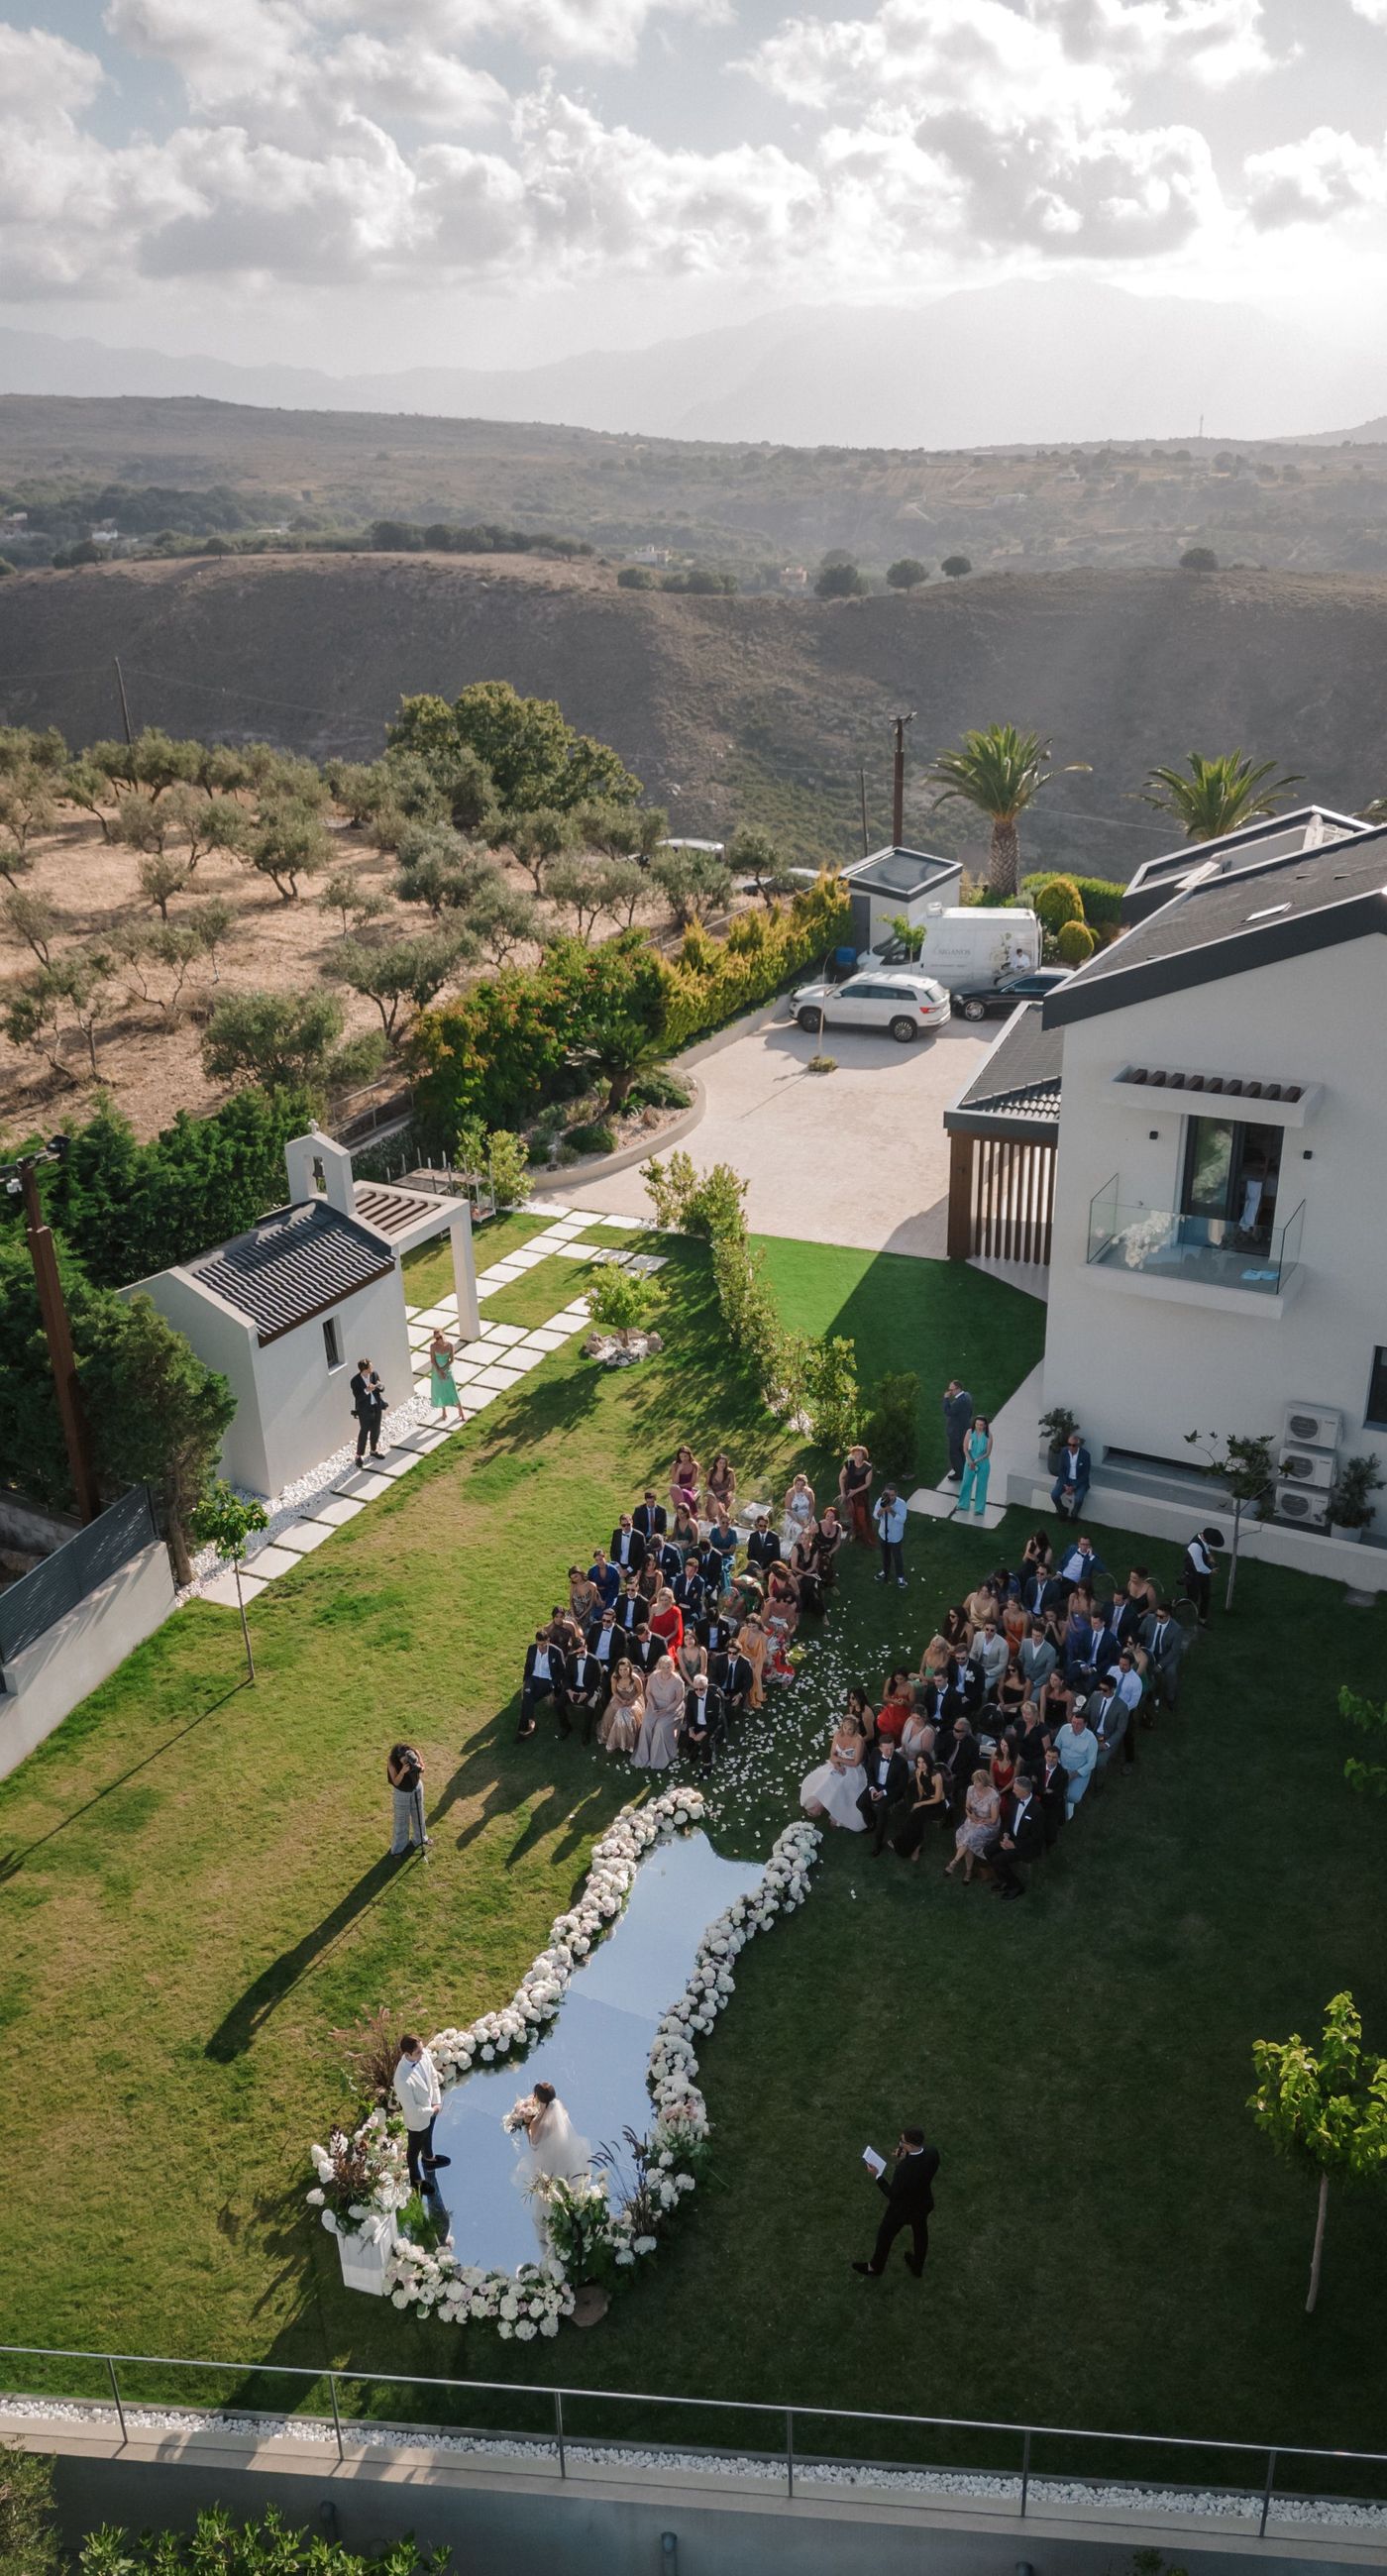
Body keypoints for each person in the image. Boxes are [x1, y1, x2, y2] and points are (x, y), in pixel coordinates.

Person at [854, 2127, 939, 2278]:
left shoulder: (904, 2170)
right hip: (923, 2204)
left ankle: (875, 2268)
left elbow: (893, 2194)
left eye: (902, 2142)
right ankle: (917, 2267)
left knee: (885, 2235)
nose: (899, 2143)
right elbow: (921, 2167)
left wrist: (877, 2175)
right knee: (921, 2233)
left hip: (902, 2210)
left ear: (910, 2146)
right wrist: (906, 2155)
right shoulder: (932, 2152)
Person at [393, 2034, 450, 2189]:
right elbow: (411, 2109)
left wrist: (436, 2101)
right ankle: (416, 2180)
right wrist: (432, 2110)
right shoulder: (401, 2078)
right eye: (418, 2052)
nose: (423, 2054)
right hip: (418, 2119)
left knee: (429, 2134)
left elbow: (432, 2076)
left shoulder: (422, 2057)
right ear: (407, 2054)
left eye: (422, 2049)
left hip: (431, 2107)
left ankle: (429, 2158)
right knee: (413, 2150)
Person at [800, 1713, 869, 1830]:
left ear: (855, 1728)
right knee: (825, 1781)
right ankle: (817, 1806)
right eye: (845, 1727)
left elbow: (856, 1762)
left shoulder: (858, 1740)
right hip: (836, 1765)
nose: (847, 1731)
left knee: (839, 1788)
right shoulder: (838, 1734)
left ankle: (836, 1817)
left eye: (850, 1729)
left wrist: (839, 1760)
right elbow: (832, 1754)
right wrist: (837, 1764)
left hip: (852, 1770)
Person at [990, 1775, 1043, 1899]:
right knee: (988, 1850)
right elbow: (1010, 1820)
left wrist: (1014, 1845)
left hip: (1027, 1846)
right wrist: (1006, 1834)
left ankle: (1016, 1886)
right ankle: (1004, 1880)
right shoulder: (1014, 1800)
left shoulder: (1037, 1810)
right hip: (1011, 1838)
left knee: (998, 1859)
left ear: (1025, 1792)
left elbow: (1037, 1837)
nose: (1013, 1791)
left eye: (1015, 1790)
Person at [946, 1768, 1001, 1882]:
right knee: (966, 1837)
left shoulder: (993, 1796)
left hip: (988, 1824)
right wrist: (970, 1816)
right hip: (973, 1819)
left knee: (970, 1837)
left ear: (984, 1782)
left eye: (978, 1781)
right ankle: (968, 1872)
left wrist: (980, 1821)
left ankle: (954, 1862)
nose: (974, 1784)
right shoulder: (971, 1789)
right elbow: (967, 1808)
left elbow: (994, 1818)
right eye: (974, 1781)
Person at [634, 1653, 685, 1770]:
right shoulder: (653, 1676)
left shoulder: (678, 1681)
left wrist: (666, 1710)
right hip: (654, 1706)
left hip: (672, 1708)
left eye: (668, 1667)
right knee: (646, 1725)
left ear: (672, 1666)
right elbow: (648, 1693)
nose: (666, 1669)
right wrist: (653, 1705)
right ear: (659, 1667)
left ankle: (658, 1758)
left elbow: (679, 1700)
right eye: (663, 1667)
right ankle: (644, 1756)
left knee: (660, 1727)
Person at [858, 1738, 908, 1854]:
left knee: (881, 1811)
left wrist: (884, 1793)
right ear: (880, 1748)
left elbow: (902, 1786)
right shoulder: (875, 1752)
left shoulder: (901, 1763)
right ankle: (872, 1823)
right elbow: (870, 1770)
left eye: (892, 1749)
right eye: (887, 1750)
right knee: (860, 1803)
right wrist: (872, 1788)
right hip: (875, 1786)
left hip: (892, 1790)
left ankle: (878, 1844)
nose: (890, 1752)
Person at [894, 1752, 947, 1858]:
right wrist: (919, 1801)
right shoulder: (918, 1771)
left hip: (938, 1804)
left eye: (924, 1762)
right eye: (918, 1762)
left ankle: (915, 1847)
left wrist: (919, 1804)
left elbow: (937, 1799)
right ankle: (908, 1845)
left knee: (915, 1819)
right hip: (926, 1799)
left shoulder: (937, 1776)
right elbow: (920, 1788)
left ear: (929, 1762)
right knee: (912, 1819)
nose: (921, 1765)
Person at [520, 1630, 570, 1741]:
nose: (541, 1647)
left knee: (528, 1700)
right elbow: (527, 1666)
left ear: (548, 1641)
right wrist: (525, 1681)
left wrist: (553, 1684)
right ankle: (531, 1723)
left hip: (547, 1680)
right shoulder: (532, 1649)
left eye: (543, 1644)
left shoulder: (556, 1652)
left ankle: (527, 1727)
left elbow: (562, 1671)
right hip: (532, 1678)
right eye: (538, 1644)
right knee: (527, 1694)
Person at [1140, 1601, 1186, 1711]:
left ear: (1168, 1616)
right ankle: (1147, 1691)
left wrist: (1161, 1665)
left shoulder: (1177, 1629)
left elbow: (1174, 1651)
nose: (1158, 1618)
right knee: (1141, 1668)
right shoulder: (1149, 1619)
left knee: (1170, 1672)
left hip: (1165, 1655)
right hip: (1148, 1651)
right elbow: (1140, 1635)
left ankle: (1170, 1697)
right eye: (1157, 1615)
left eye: (1161, 1617)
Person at [387, 1742, 429, 1857]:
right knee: (401, 1821)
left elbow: (423, 1768)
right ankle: (398, 1848)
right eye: (405, 1760)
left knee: (419, 1815)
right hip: (401, 1793)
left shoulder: (414, 1753)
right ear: (399, 1758)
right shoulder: (392, 1762)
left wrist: (419, 1767)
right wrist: (402, 1772)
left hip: (417, 1788)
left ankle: (420, 1839)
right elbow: (395, 1782)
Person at [1057, 1705, 1099, 1816]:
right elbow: (1056, 1747)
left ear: (1085, 1725)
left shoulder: (1091, 1739)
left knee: (1073, 1796)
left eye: (1078, 1724)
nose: (1074, 1726)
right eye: (1073, 1722)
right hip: (1060, 1766)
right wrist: (1058, 1766)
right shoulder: (1064, 1729)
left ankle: (1069, 1804)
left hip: (1078, 1772)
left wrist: (1074, 1774)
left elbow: (1091, 1763)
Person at [566, 1636, 607, 1744]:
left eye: (582, 1651)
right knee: (559, 1703)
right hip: (574, 1688)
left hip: (590, 1688)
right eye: (577, 1653)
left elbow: (597, 1681)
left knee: (590, 1706)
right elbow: (566, 1677)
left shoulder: (594, 1660)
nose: (580, 1654)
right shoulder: (570, 1658)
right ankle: (565, 1727)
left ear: (586, 1646)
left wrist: (586, 1693)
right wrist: (569, 1690)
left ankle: (586, 1732)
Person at [598, 1657, 644, 1755]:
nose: (623, 1672)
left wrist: (631, 1701)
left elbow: (640, 1692)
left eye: (625, 1669)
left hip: (633, 1699)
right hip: (619, 1698)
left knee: (627, 1714)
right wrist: (621, 1700)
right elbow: (614, 1691)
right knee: (612, 1712)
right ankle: (615, 1740)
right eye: (621, 1670)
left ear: (630, 1668)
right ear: (618, 1670)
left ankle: (628, 1742)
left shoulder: (635, 1678)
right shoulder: (615, 1677)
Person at [682, 1670, 724, 1771]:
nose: (699, 1692)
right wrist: (691, 1728)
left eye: (702, 1689)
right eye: (696, 1689)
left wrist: (703, 1732)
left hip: (708, 1725)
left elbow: (715, 1720)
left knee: (705, 1742)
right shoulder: (691, 1695)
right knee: (686, 1737)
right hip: (696, 1724)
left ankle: (707, 1764)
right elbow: (689, 1713)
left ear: (707, 1687)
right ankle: (693, 1751)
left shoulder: (714, 1698)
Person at [1183, 1526, 1222, 1627]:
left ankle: (1202, 1619)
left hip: (1203, 1574)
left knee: (1206, 1595)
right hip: (1193, 1574)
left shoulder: (1202, 1536)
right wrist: (1212, 1571)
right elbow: (1199, 1567)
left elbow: (1206, 1548)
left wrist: (1210, 1557)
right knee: (1192, 1598)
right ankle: (1174, 1603)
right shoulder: (1195, 1546)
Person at [1051, 1429, 1092, 1521]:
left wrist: (1074, 1486)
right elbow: (1061, 1470)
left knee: (1078, 1499)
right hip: (1065, 1479)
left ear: (1078, 1445)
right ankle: (1062, 1510)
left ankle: (1074, 1514)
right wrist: (1065, 1484)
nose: (1071, 1447)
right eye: (1069, 1444)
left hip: (1079, 1481)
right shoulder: (1064, 1452)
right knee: (1054, 1495)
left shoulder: (1085, 1455)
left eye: (1073, 1445)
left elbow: (1085, 1474)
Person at [350, 1357, 385, 1464]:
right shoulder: (355, 1381)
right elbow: (358, 1397)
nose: (372, 1367)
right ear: (364, 1369)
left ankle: (373, 1450)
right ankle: (358, 1455)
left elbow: (382, 1388)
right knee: (364, 1432)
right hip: (364, 1410)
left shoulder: (374, 1374)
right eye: (370, 1366)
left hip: (376, 1406)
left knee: (376, 1430)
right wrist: (367, 1390)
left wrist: (379, 1386)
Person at [958, 1415, 993, 1518]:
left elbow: (987, 1453)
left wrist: (975, 1461)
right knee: (966, 1483)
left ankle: (979, 1509)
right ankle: (963, 1504)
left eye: (981, 1425)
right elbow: (965, 1448)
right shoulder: (969, 1432)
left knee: (981, 1486)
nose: (979, 1426)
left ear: (985, 1425)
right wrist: (970, 1461)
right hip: (969, 1461)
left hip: (983, 1463)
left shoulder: (989, 1435)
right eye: (977, 1424)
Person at [874, 1483, 907, 1588]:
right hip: (883, 1534)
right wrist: (881, 1510)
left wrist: (891, 1511)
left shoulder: (901, 1504)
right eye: (888, 1495)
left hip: (895, 1536)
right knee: (885, 1555)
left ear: (896, 1494)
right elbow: (875, 1516)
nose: (890, 1497)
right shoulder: (881, 1501)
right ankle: (885, 1570)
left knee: (897, 1557)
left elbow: (902, 1520)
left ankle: (900, 1576)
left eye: (892, 1495)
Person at [427, 1330, 465, 1426]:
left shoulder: (450, 1345)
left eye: (440, 1336)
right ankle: (444, 1411)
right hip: (437, 1372)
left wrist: (444, 1369)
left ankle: (461, 1411)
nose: (439, 1339)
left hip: (447, 1370)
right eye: (437, 1338)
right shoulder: (433, 1346)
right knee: (441, 1391)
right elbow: (432, 1360)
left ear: (444, 1335)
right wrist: (439, 1371)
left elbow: (451, 1360)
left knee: (453, 1389)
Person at [839, 1444, 874, 1544]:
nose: (856, 1456)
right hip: (848, 1493)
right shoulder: (849, 1464)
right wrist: (842, 1492)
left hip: (860, 1495)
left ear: (863, 1455)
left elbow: (867, 1484)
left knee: (861, 1515)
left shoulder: (868, 1468)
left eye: (859, 1454)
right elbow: (841, 1478)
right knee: (851, 1514)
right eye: (854, 1454)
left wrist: (855, 1491)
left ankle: (864, 1534)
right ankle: (854, 1532)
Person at [942, 1379, 973, 1483]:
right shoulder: (967, 1396)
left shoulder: (959, 1401)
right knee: (961, 1452)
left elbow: (948, 1411)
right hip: (964, 1430)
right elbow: (970, 1412)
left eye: (951, 1390)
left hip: (956, 1433)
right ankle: (964, 1471)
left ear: (958, 1389)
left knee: (954, 1453)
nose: (950, 1392)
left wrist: (946, 1399)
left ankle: (959, 1474)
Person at [781, 1472, 817, 1554]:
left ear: (805, 1485)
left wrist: (810, 1518)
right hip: (794, 1516)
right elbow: (788, 1509)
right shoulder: (790, 1493)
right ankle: (798, 1548)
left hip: (806, 1515)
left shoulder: (809, 1492)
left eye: (802, 1485)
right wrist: (799, 1521)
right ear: (794, 1484)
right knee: (800, 1529)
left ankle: (808, 1546)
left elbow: (812, 1506)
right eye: (798, 1484)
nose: (800, 1487)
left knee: (811, 1528)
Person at [703, 1450, 737, 1523]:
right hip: (713, 1493)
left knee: (722, 1504)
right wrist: (712, 1493)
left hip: (725, 1494)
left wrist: (723, 1492)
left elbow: (733, 1486)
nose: (722, 1465)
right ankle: (724, 1519)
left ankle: (722, 1520)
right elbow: (706, 1484)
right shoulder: (711, 1471)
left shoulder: (730, 1472)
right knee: (716, 1504)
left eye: (724, 1463)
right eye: (720, 1463)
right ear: (716, 1463)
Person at [670, 1447, 701, 1517]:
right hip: (677, 1490)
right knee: (680, 1492)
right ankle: (691, 1514)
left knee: (685, 1492)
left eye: (685, 1456)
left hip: (688, 1489)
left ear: (689, 1456)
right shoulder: (675, 1465)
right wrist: (678, 1471)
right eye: (681, 1457)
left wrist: (680, 1486)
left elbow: (692, 1484)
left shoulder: (694, 1465)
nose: (683, 1459)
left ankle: (691, 1514)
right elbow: (674, 1482)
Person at [746, 1512, 780, 1576]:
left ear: (768, 1525)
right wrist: (756, 1569)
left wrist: (767, 1570)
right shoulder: (753, 1536)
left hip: (770, 1568)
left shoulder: (774, 1537)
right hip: (755, 1568)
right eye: (761, 1525)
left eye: (765, 1526)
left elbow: (776, 1557)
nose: (763, 1528)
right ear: (757, 1525)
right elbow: (750, 1555)